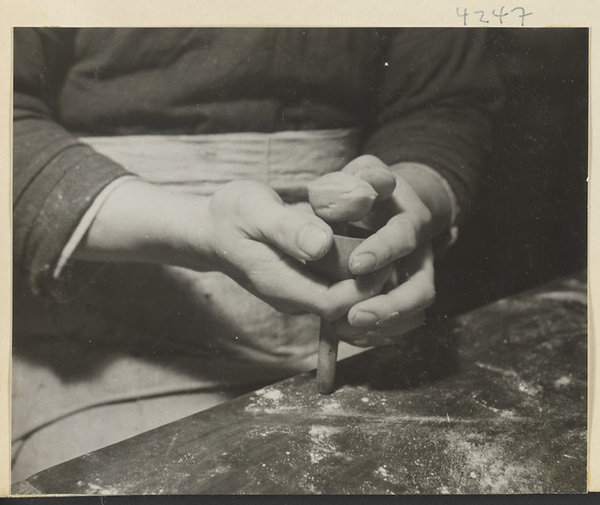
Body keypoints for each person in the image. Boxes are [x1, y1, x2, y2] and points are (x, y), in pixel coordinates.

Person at [12, 28, 500, 480]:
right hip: (103, 337)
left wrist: (411, 202)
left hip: (358, 330)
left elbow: (443, 103)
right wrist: (198, 227)